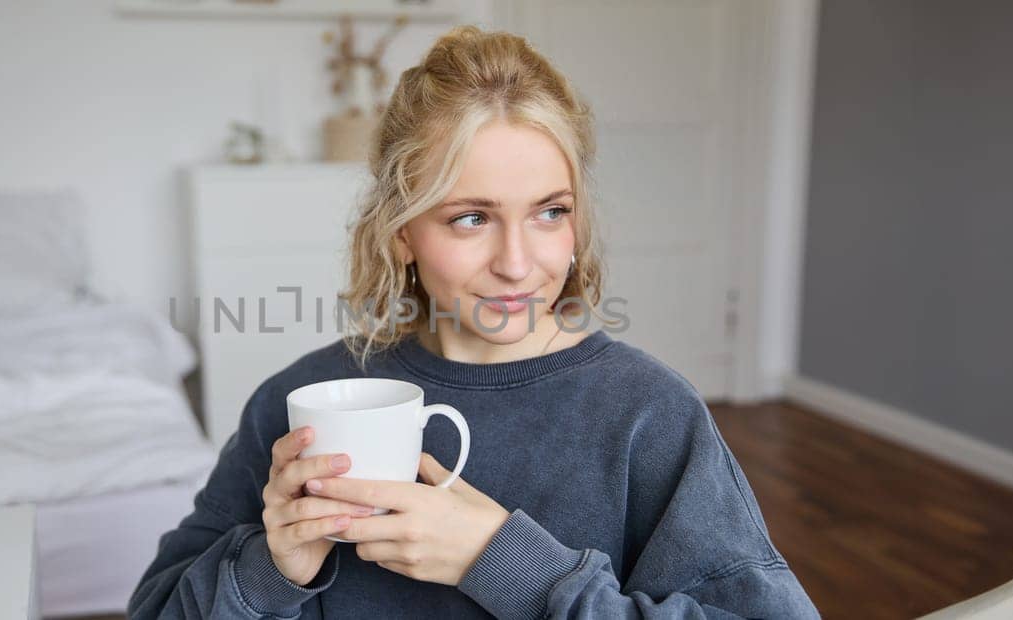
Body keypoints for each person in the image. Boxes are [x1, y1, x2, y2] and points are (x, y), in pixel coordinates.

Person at [129, 25, 818, 619]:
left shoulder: (648, 416)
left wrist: (507, 565)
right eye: (471, 218)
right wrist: (268, 568)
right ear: (401, 233)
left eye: (551, 211)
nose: (518, 265)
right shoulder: (301, 402)